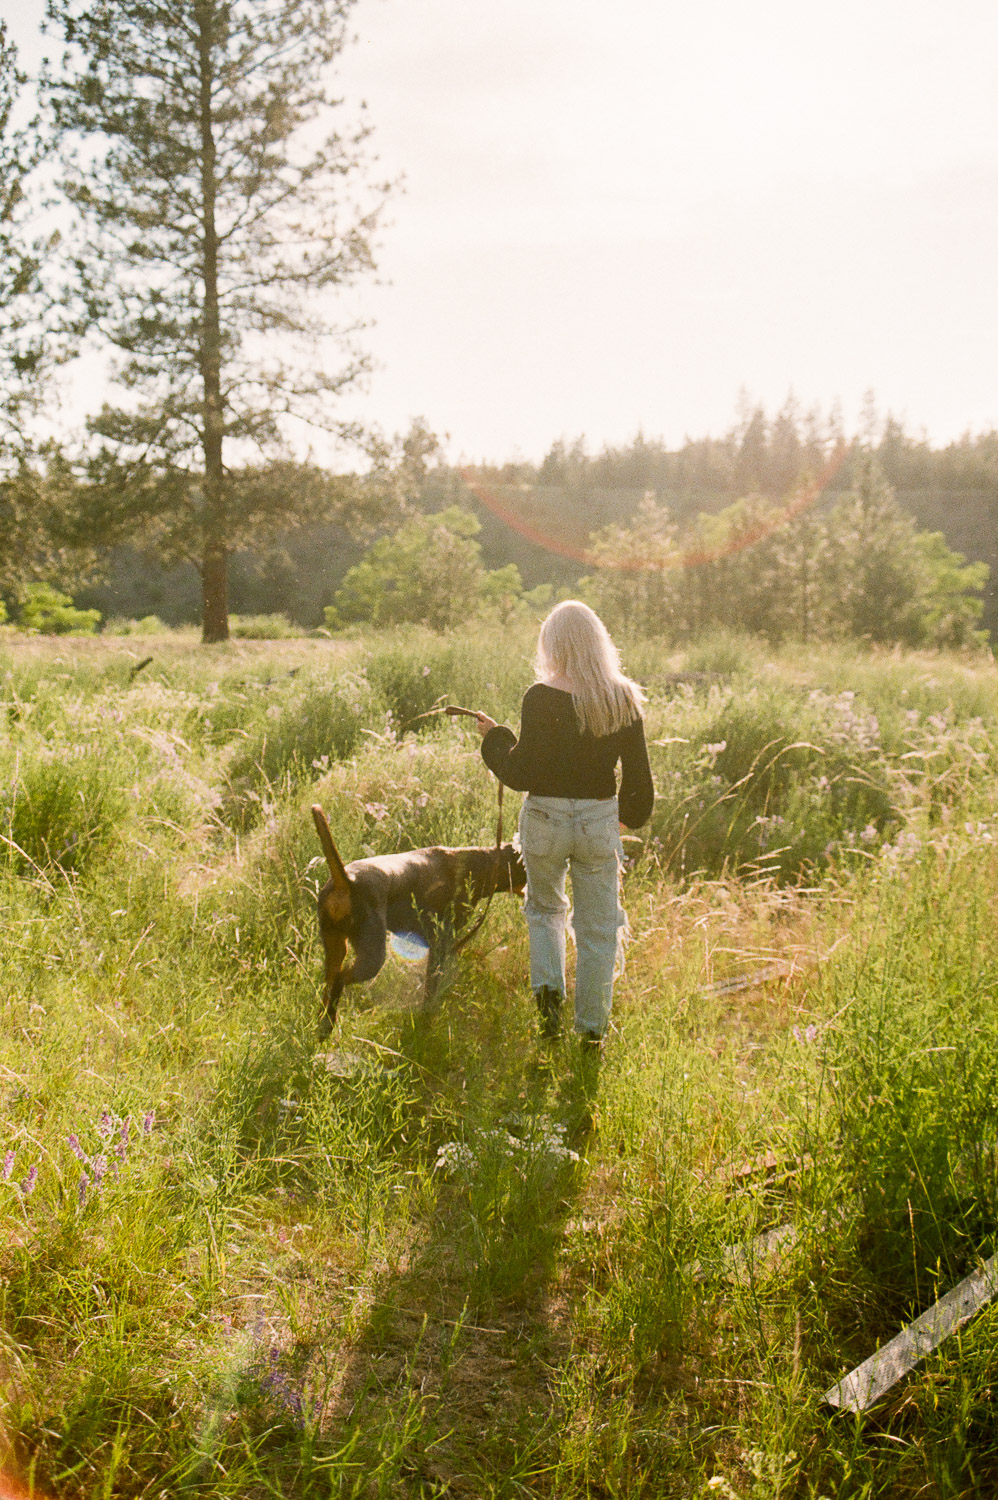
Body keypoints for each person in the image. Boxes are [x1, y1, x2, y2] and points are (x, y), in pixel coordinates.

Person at [476, 600, 654, 1045]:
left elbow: (520, 774)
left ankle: (549, 1011)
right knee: (598, 928)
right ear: (598, 640)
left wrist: (495, 739)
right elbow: (639, 781)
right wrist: (622, 820)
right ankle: (592, 1031)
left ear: (553, 643)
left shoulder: (540, 697)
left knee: (545, 912)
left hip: (544, 820)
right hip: (597, 821)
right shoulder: (622, 697)